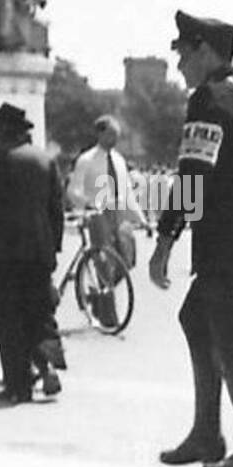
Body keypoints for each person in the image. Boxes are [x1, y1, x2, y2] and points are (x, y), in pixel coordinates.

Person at [150, 11, 233, 467]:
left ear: (205, 51)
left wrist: (166, 239)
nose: (180, 65)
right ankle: (207, 431)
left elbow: (193, 176)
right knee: (196, 317)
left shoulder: (209, 98)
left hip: (224, 242)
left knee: (231, 344)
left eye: (184, 54)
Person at [0, 103, 64, 404]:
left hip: (3, 249)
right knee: (39, 312)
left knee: (7, 315)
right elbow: (56, 210)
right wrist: (53, 248)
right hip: (38, 248)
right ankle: (49, 366)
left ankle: (18, 384)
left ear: (3, 129)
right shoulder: (45, 160)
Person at [67, 115, 152, 327]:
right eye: (112, 134)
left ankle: (98, 294)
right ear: (100, 133)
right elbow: (73, 190)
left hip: (119, 214)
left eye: (118, 135)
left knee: (128, 259)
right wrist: (89, 203)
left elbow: (127, 194)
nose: (116, 138)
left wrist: (142, 219)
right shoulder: (86, 160)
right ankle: (108, 317)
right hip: (98, 215)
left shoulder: (119, 160)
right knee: (103, 262)